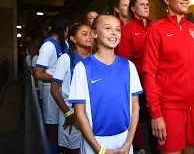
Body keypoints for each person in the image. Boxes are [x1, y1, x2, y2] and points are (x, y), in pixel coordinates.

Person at [142, 0, 194, 154]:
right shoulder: (156, 29)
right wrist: (156, 114)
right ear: (167, 0)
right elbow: (148, 73)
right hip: (169, 107)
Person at [68, 15, 142, 154]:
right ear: (94, 33)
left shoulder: (129, 67)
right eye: (108, 28)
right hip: (96, 141)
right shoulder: (82, 68)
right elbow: (79, 113)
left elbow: (135, 106)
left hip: (124, 140)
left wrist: (128, 143)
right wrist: (99, 149)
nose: (114, 33)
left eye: (118, 29)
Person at [117, 0, 152, 154]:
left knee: (156, 118)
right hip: (138, 80)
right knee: (137, 117)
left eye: (147, 4)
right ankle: (137, 146)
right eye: (142, 4)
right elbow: (124, 61)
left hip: (157, 80)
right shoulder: (128, 29)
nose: (146, 7)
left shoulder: (155, 26)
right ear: (133, 8)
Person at [51, 23, 92, 154]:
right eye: (84, 34)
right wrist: (69, 115)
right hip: (71, 112)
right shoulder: (65, 59)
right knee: (73, 149)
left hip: (89, 112)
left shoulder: (93, 59)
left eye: (90, 34)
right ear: (73, 39)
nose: (89, 37)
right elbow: (54, 90)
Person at [35, 14, 69, 154]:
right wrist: (58, 78)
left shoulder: (64, 44)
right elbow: (38, 73)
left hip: (62, 92)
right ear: (64, 28)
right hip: (51, 93)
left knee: (61, 127)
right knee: (52, 130)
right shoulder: (48, 46)